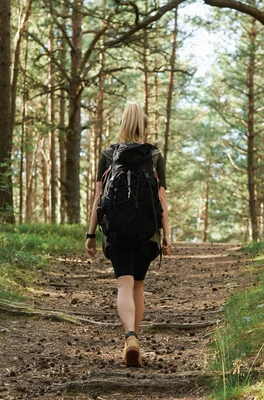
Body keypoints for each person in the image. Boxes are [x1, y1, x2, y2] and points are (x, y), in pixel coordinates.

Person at [85, 102, 172, 368]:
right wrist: (167, 235)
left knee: (124, 283)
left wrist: (90, 234)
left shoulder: (109, 155)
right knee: (138, 285)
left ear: (122, 124)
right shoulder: (154, 155)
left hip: (118, 231)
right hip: (146, 232)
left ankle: (130, 337)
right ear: (143, 126)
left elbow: (99, 197)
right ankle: (136, 339)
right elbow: (161, 198)